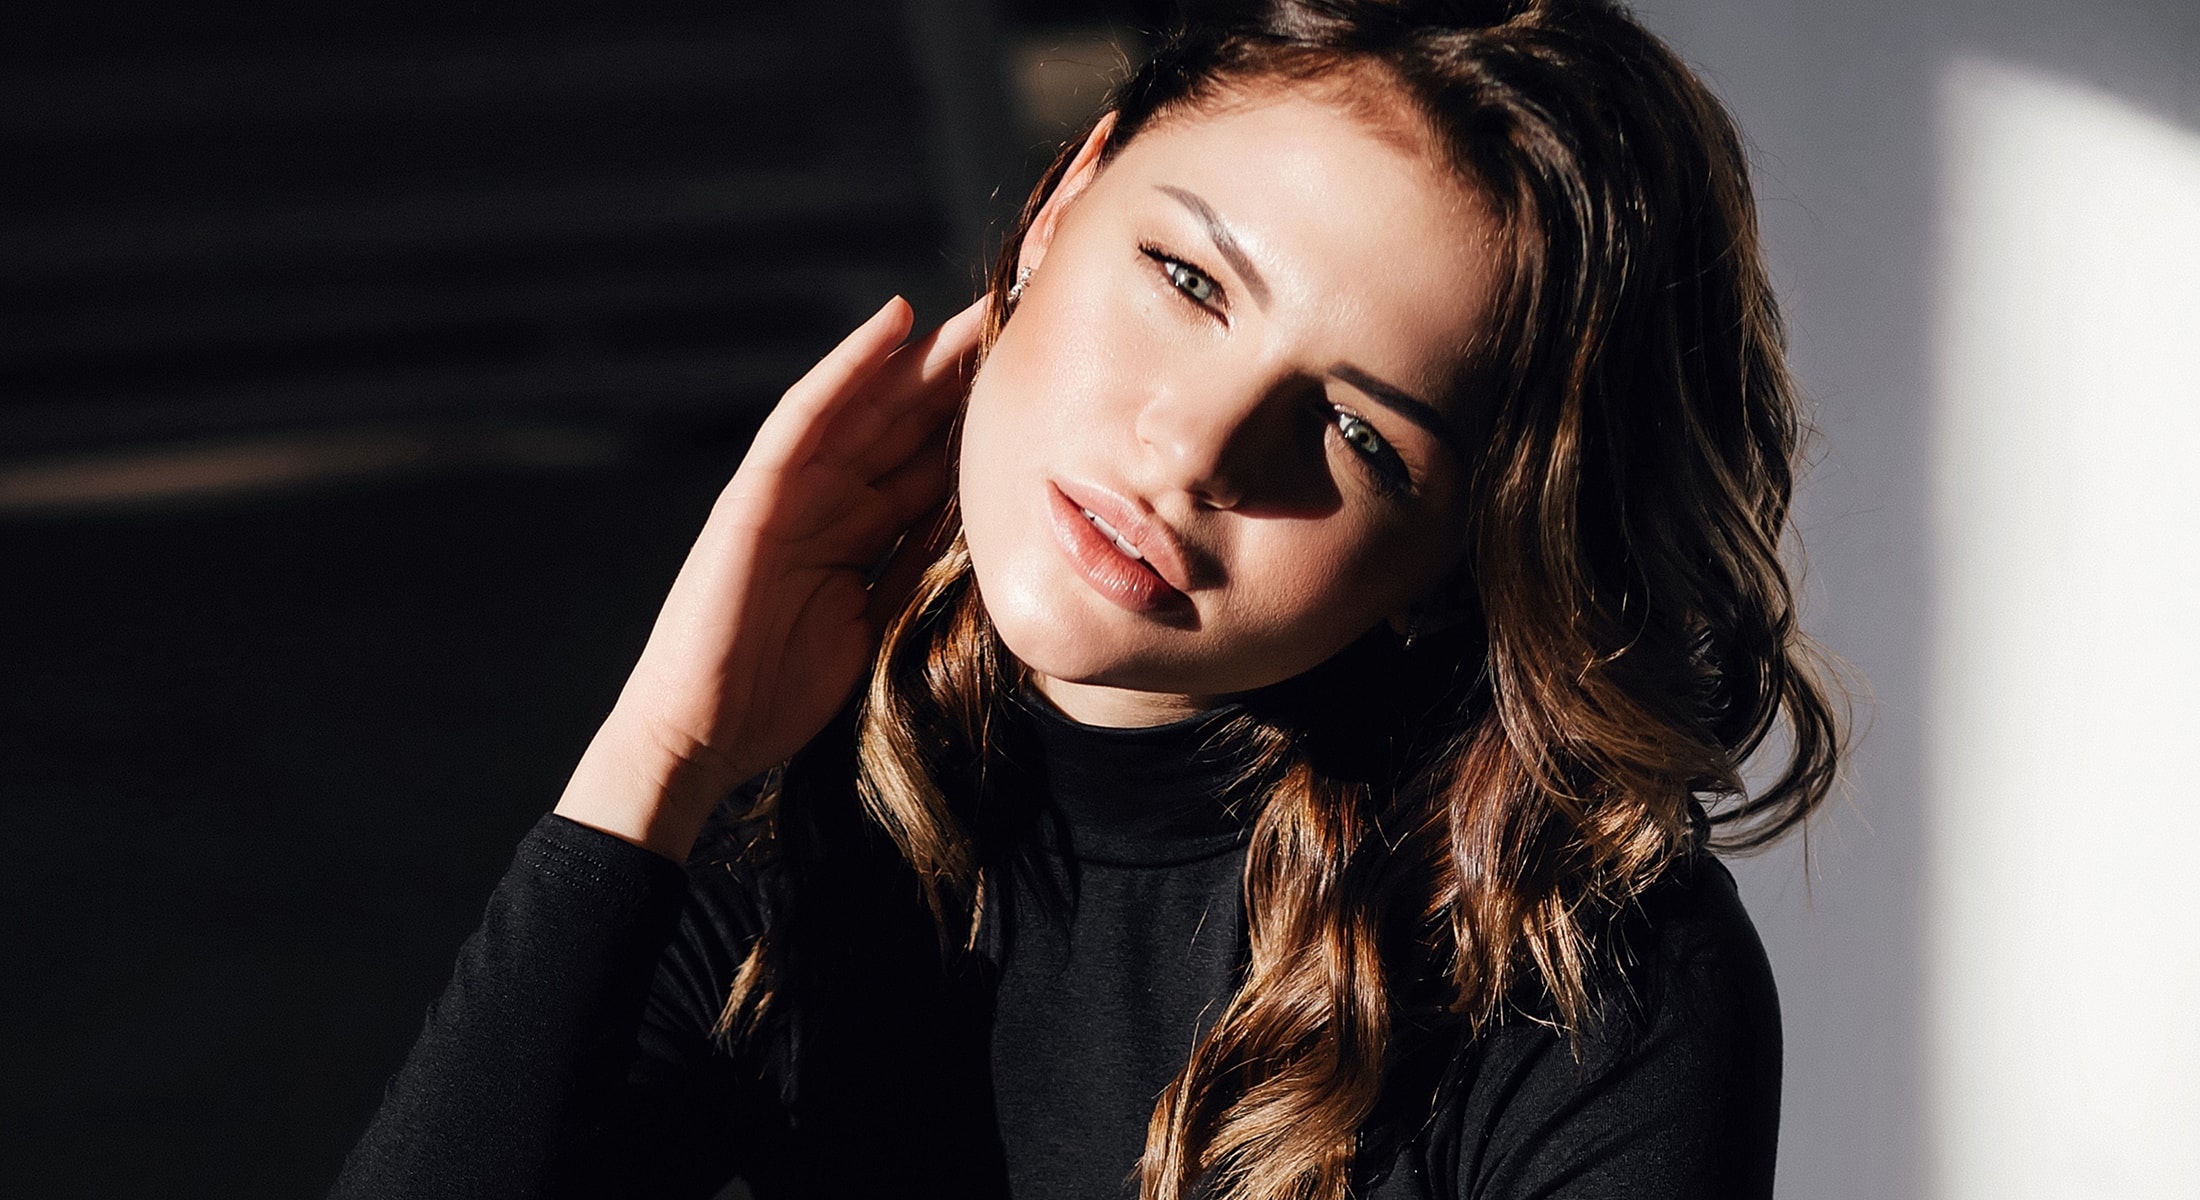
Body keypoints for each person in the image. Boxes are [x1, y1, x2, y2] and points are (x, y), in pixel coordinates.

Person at [330, 0, 1841, 1196]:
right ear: (1061, 205)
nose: (1194, 452)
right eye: (1187, 280)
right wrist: (661, 748)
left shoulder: (1587, 982)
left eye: (1359, 433)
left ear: (1457, 567)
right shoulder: (799, 800)